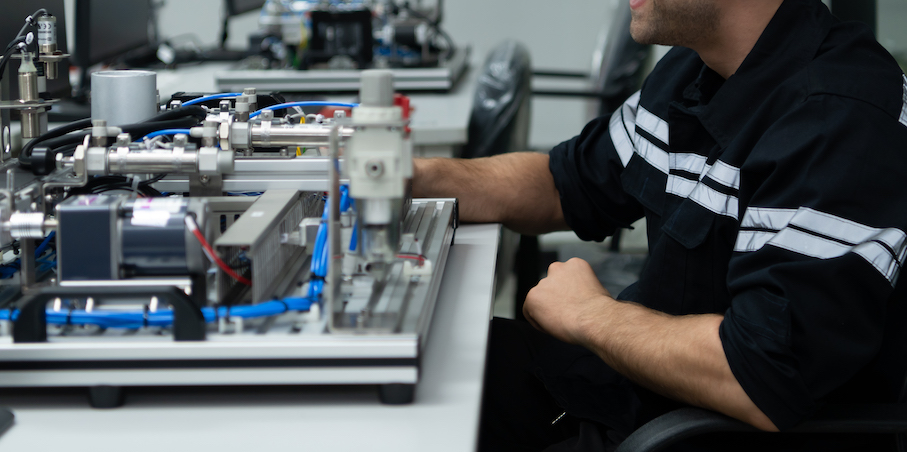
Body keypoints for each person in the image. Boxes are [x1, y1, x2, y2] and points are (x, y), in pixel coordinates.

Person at [414, 0, 907, 450]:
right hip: (636, 393)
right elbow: (565, 182)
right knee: (428, 371)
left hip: (691, 431)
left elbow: (760, 375)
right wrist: (414, 177)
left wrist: (588, 315)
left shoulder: (844, 118)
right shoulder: (695, 70)